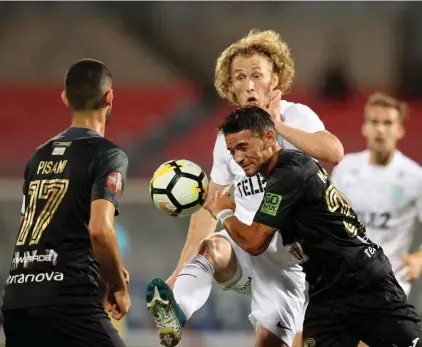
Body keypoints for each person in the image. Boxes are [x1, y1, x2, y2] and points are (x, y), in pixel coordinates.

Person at [146, 29, 344, 347]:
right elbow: (213, 203)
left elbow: (333, 152)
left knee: (271, 343)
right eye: (240, 77)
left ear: (275, 80)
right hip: (245, 245)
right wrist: (179, 273)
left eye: (256, 75)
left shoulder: (297, 116)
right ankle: (177, 311)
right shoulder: (227, 140)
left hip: (291, 258)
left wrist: (275, 124)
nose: (249, 84)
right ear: (231, 87)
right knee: (212, 248)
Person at [205, 105, 422, 347]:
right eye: (232, 151)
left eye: (243, 147)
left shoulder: (288, 174)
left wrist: (224, 212)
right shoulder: (293, 167)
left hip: (364, 284)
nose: (238, 158)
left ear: (269, 137)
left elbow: (255, 242)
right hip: (326, 293)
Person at [1, 58, 131, 347]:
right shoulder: (107, 155)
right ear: (109, 97)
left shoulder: (38, 156)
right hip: (69, 302)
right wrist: (118, 286)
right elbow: (100, 230)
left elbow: (42, 231)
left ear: (64, 98)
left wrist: (107, 269)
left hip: (17, 301)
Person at [330, 92, 422, 347]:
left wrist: (418, 258)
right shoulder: (346, 168)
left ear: (400, 130)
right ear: (365, 127)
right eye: (374, 122)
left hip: (388, 279)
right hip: (343, 274)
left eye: (388, 123)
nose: (380, 129)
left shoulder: (415, 177)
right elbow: (330, 220)